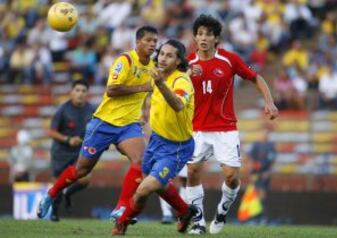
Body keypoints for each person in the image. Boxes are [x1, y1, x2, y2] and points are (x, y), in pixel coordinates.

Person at [37, 26, 158, 228]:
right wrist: (142, 87)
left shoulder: (152, 66)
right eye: (148, 40)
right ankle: (51, 194)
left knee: (141, 160)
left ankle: (121, 208)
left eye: (155, 40)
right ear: (138, 42)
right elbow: (111, 90)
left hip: (128, 125)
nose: (153, 44)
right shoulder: (125, 61)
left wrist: (144, 113)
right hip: (104, 123)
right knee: (82, 170)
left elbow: (147, 95)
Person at [186, 14, 279, 235]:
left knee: (232, 177)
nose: (204, 38)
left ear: (216, 38)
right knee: (192, 173)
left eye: (208, 34)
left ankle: (222, 210)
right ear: (195, 37)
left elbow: (256, 78)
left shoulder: (229, 59)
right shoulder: (187, 63)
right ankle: (198, 222)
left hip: (225, 129)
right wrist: (186, 74)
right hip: (196, 129)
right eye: (200, 34)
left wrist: (269, 102)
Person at [112, 40, 197, 235]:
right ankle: (185, 211)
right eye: (162, 54)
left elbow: (177, 105)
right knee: (155, 185)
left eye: (169, 56)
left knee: (143, 189)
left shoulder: (181, 80)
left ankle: (122, 222)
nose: (163, 58)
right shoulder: (155, 75)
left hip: (176, 147)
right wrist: (141, 114)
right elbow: (145, 93)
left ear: (178, 61)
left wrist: (160, 83)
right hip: (156, 141)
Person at [48, 79, 95, 222]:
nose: (80, 94)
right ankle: (54, 212)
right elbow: (51, 132)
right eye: (77, 90)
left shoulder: (91, 109)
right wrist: (68, 140)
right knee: (57, 184)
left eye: (83, 91)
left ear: (87, 93)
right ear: (71, 92)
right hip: (61, 152)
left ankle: (68, 193)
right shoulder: (63, 110)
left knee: (86, 179)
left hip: (78, 152)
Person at [247, 127, 277, 222]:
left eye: (266, 133)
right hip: (256, 173)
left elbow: (272, 161)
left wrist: (268, 172)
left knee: (263, 194)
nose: (264, 135)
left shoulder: (271, 146)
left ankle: (263, 217)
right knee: (255, 194)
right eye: (262, 133)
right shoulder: (256, 145)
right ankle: (256, 217)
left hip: (265, 173)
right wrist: (251, 173)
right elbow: (250, 159)